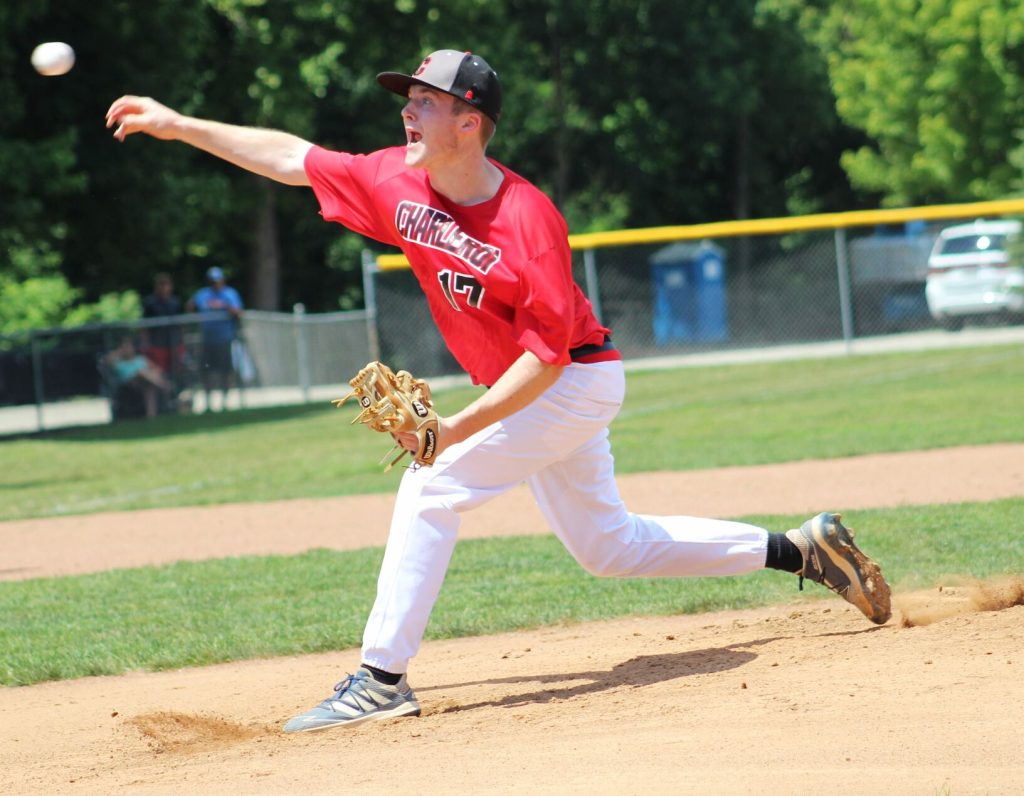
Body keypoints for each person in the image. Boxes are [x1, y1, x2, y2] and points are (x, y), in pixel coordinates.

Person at [106, 49, 892, 733]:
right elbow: (292, 156)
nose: (407, 112)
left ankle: (380, 680)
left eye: (425, 102)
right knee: (608, 548)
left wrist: (454, 430)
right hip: (538, 385)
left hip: (573, 380)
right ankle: (801, 549)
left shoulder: (527, 219)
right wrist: (181, 125)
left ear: (470, 123)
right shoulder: (396, 181)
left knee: (433, 485)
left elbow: (547, 359)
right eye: (408, 99)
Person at [186, 266, 243, 412]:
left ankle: (224, 402)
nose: (215, 283)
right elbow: (190, 306)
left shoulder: (230, 294)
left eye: (217, 280)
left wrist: (224, 306)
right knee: (206, 371)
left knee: (226, 371)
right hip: (207, 340)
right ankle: (208, 403)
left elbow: (238, 312)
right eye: (212, 281)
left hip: (224, 339)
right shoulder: (203, 294)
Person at [140, 272, 185, 404]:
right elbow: (144, 326)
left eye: (166, 285)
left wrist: (182, 342)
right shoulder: (150, 303)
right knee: (158, 373)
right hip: (157, 346)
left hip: (174, 345)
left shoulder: (175, 303)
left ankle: (174, 399)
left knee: (176, 372)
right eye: (161, 285)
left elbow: (181, 325)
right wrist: (146, 343)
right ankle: (160, 403)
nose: (164, 288)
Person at [103, 336, 172, 420]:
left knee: (149, 388)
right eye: (125, 347)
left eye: (129, 347)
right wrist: (120, 351)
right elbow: (107, 359)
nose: (127, 349)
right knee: (140, 372)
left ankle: (151, 415)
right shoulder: (119, 362)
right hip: (128, 383)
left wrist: (153, 373)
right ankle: (164, 386)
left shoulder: (140, 359)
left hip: (146, 382)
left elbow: (157, 369)